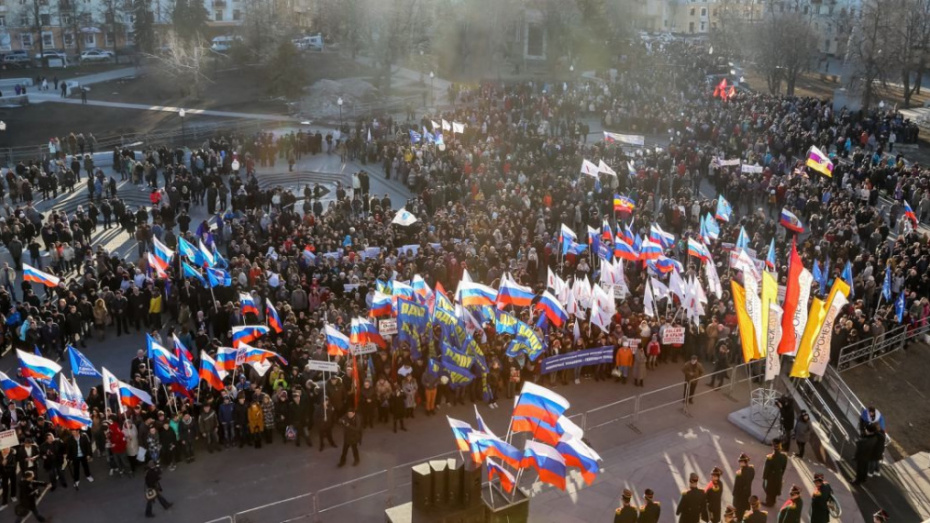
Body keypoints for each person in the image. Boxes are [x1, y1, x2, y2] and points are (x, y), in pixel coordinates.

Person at [762, 438, 788, 506]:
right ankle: (773, 501)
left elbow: (766, 469)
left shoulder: (770, 457)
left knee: (769, 490)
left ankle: (769, 503)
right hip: (778, 475)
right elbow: (784, 468)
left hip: (770, 477)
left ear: (773, 446)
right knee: (775, 489)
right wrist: (780, 474)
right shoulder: (784, 456)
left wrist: (764, 478)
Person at [732, 452, 754, 520]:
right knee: (744, 507)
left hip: (739, 495)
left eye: (740, 462)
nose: (739, 463)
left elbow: (736, 488)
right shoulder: (751, 469)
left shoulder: (739, 474)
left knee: (738, 509)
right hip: (747, 493)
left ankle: (739, 518)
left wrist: (734, 495)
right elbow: (752, 478)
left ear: (742, 462)